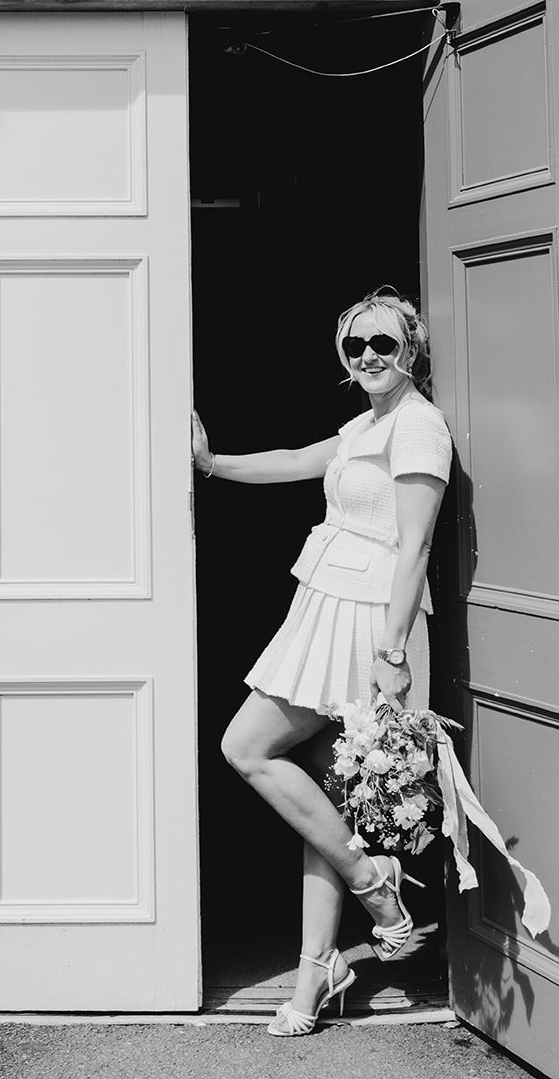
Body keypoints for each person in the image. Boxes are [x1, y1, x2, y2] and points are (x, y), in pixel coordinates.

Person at [191, 288, 452, 1037]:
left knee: (244, 745)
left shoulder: (417, 426)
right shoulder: (368, 422)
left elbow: (415, 544)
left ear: (411, 349)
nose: (368, 356)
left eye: (383, 344)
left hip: (370, 618)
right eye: (354, 347)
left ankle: (376, 889)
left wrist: (392, 650)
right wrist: (210, 464)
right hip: (324, 608)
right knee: (329, 803)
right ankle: (316, 977)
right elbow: (297, 459)